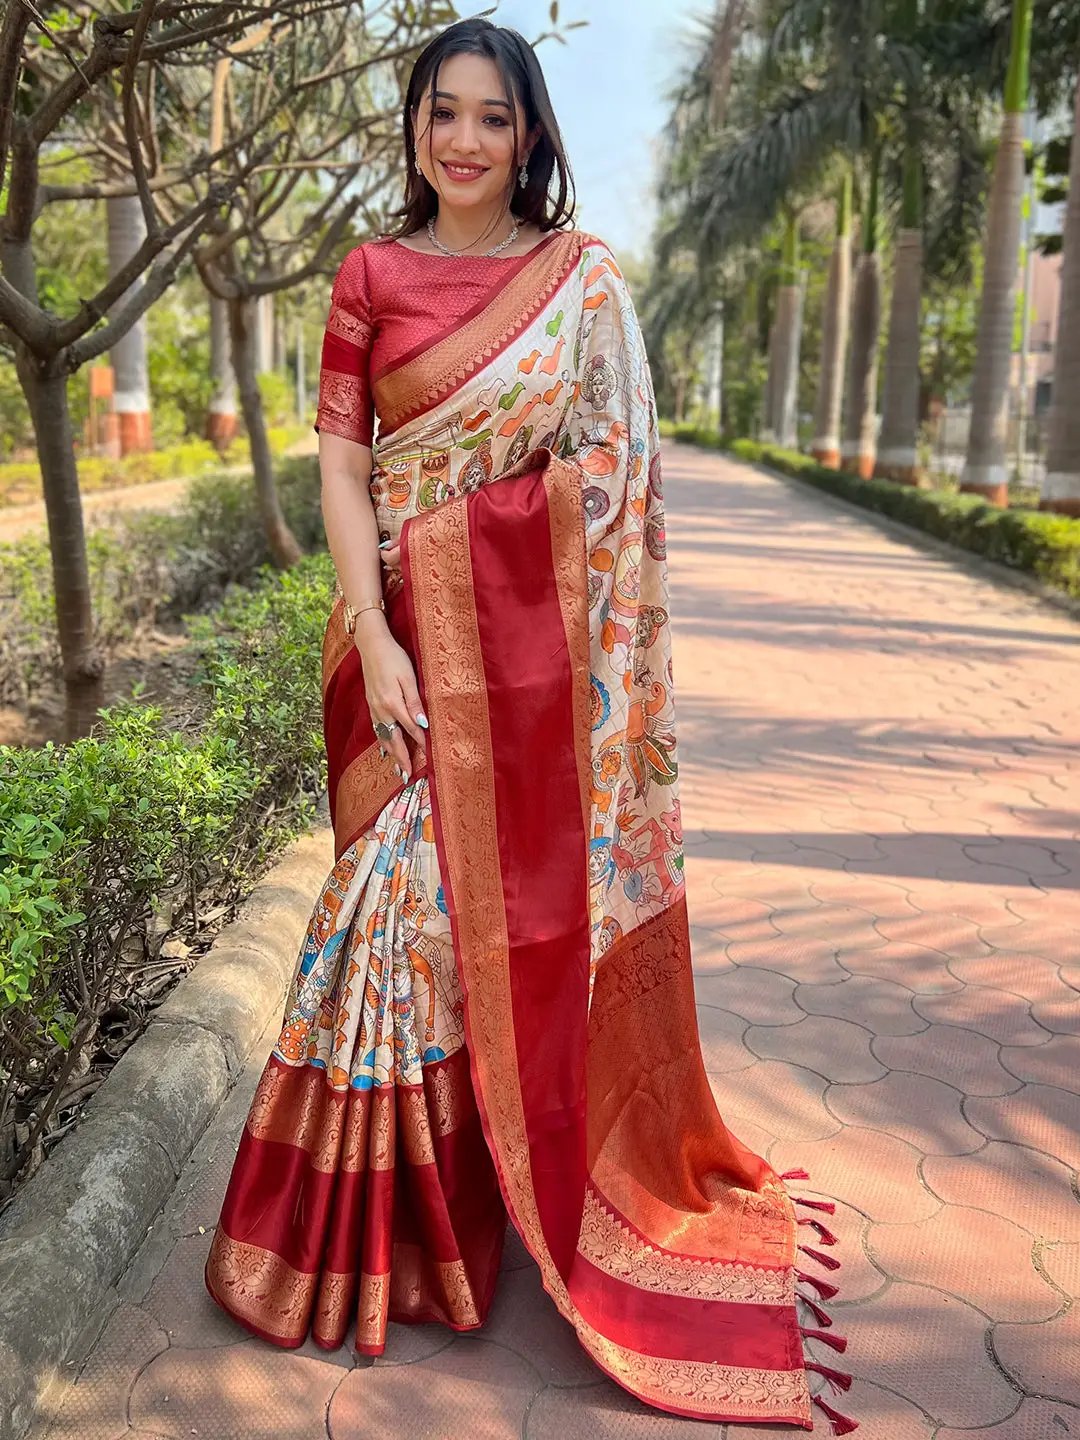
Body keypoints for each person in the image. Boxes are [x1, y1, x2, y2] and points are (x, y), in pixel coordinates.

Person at [204, 17, 856, 1435]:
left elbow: (615, 473)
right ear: (414, 126)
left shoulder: (580, 284)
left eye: (492, 119)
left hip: (527, 668)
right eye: (442, 113)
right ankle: (402, 1237)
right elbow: (342, 464)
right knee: (392, 912)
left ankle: (486, 1207)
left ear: (531, 135)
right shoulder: (368, 273)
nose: (463, 142)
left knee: (477, 920)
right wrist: (379, 626)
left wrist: (479, 553)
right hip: (400, 654)